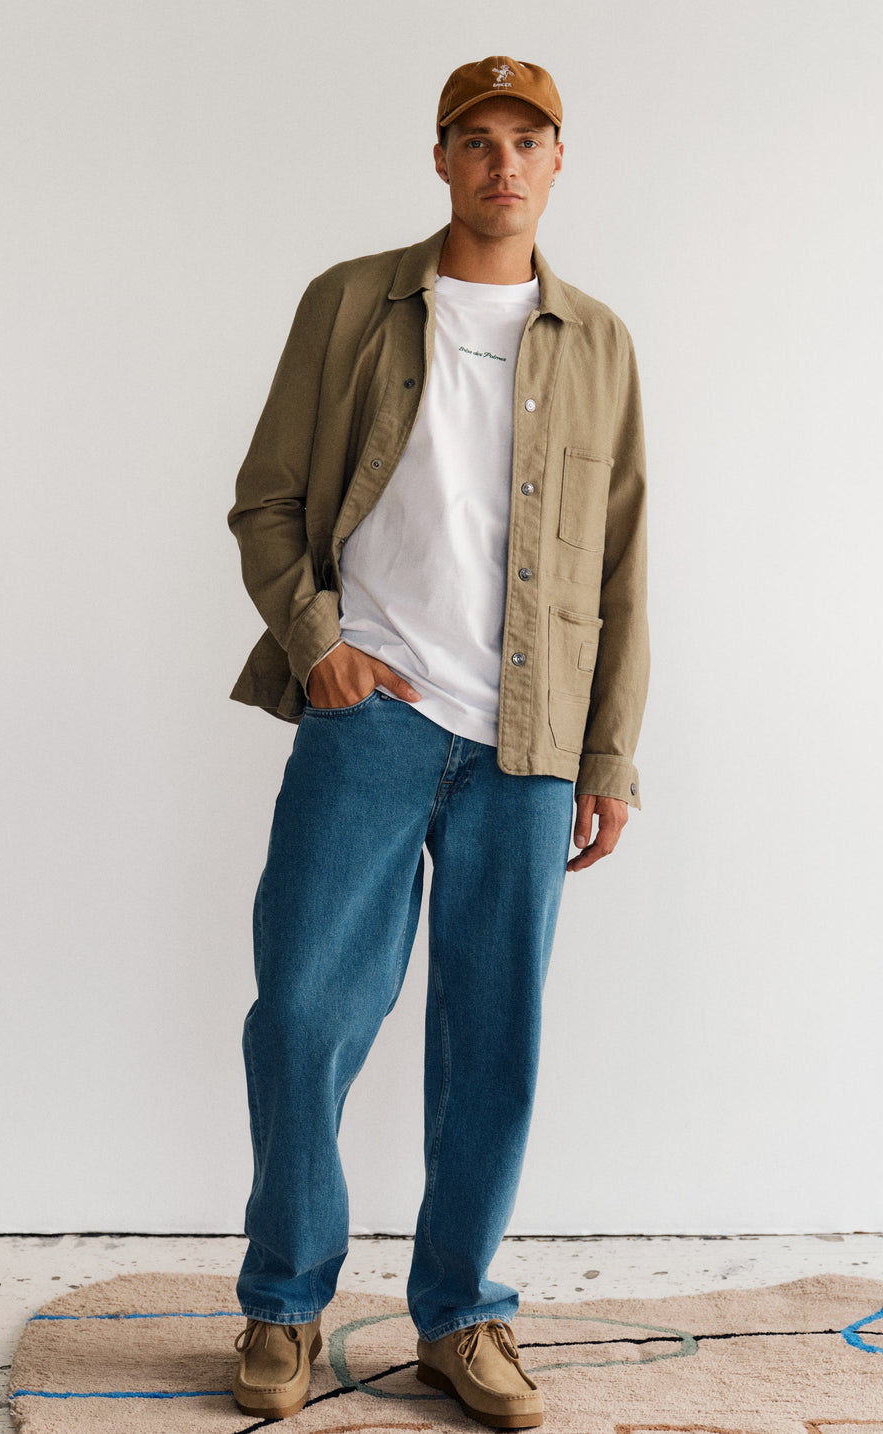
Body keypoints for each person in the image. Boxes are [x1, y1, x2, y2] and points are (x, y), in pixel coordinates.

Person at [226, 55, 649, 1429]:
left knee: (494, 1045)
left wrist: (608, 753)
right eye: (478, 139)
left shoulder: (600, 343)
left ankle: (461, 1316)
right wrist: (319, 645)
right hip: (373, 717)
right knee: (302, 1015)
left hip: (528, 742)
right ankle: (285, 1300)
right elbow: (267, 501)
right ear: (441, 156)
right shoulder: (351, 303)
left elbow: (624, 565)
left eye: (528, 140)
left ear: (559, 160)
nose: (502, 163)